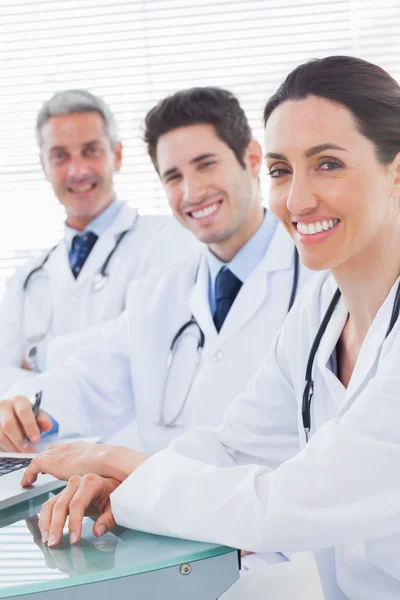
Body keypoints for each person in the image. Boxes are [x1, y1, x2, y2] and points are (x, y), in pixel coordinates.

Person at [23, 56, 400, 599]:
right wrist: (121, 483)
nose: (295, 200)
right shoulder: (322, 308)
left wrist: (115, 461)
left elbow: (282, 505)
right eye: (281, 170)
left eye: (328, 164)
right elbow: (237, 446)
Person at [0, 89, 198, 395]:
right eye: (60, 156)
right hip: (43, 441)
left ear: (116, 156)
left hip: (134, 441)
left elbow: (144, 339)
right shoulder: (26, 279)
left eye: (91, 151)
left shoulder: (169, 240)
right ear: (44, 167)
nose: (77, 171)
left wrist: (41, 356)